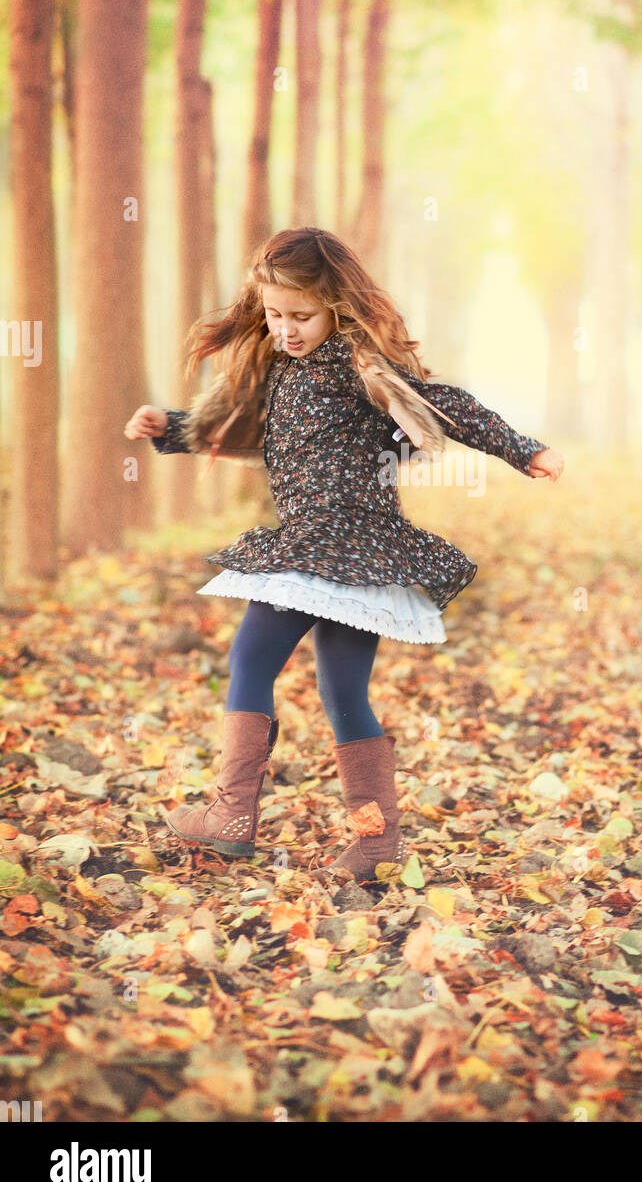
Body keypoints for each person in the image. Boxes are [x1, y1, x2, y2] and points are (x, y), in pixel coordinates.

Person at [124, 227, 564, 880]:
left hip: (339, 545)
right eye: (274, 315)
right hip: (338, 554)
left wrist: (521, 449)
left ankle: (235, 816)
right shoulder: (279, 370)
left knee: (260, 662)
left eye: (300, 316)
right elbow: (238, 427)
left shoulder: (359, 366)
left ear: (334, 304)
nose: (286, 329)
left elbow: (444, 404)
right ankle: (371, 843)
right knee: (339, 691)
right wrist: (172, 427)